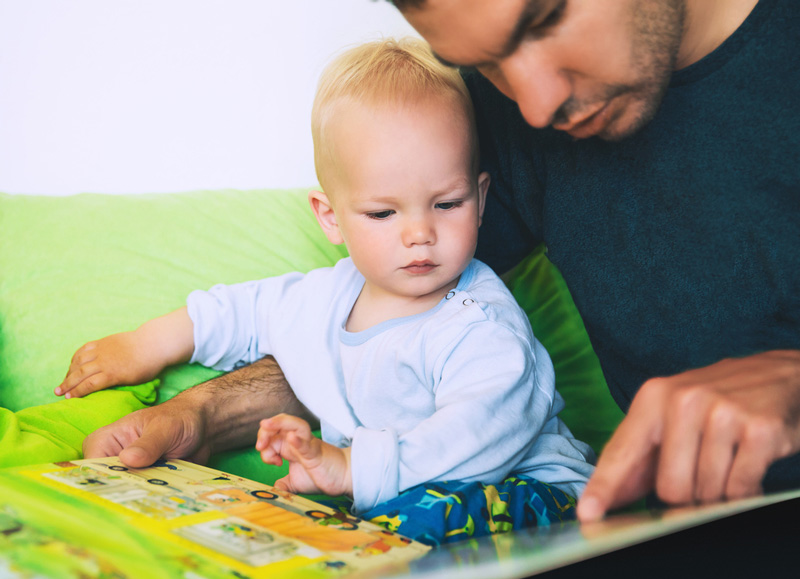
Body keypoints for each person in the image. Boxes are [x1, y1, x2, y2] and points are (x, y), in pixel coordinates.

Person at [73, 0, 800, 522]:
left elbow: (488, 381)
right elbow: (386, 329)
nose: (537, 107)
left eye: (545, 17)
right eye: (483, 64)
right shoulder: (488, 125)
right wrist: (198, 413)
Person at [58, 38, 594, 521]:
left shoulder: (479, 321)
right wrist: (145, 344)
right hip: (406, 496)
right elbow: (246, 311)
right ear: (330, 217)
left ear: (480, 200)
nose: (419, 234)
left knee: (401, 529)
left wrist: (352, 470)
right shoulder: (327, 299)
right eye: (383, 214)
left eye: (446, 204)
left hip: (535, 493)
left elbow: (482, 431)